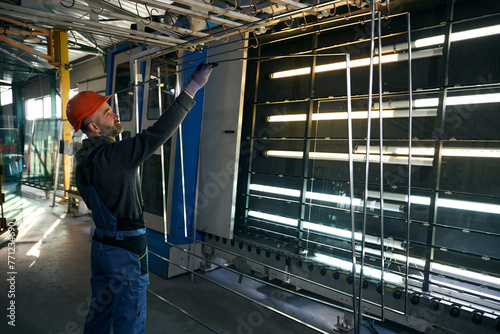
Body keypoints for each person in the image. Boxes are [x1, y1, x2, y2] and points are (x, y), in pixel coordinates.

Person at [66, 62, 215, 334]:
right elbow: (157, 133)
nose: (114, 115)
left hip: (101, 246)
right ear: (93, 127)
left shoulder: (83, 161)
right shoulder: (116, 157)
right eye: (107, 113)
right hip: (125, 250)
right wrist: (192, 88)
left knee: (100, 315)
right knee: (129, 321)